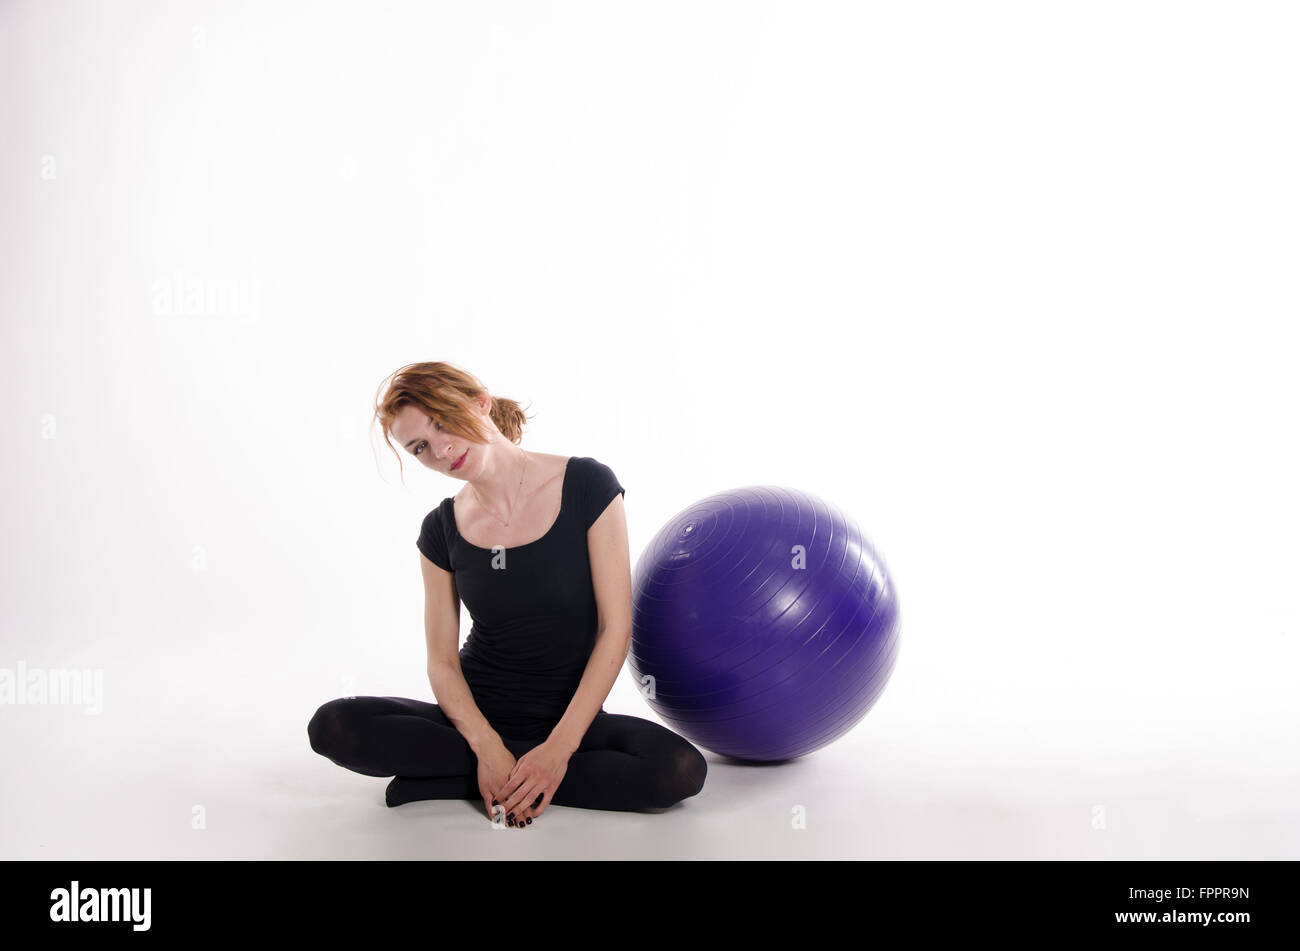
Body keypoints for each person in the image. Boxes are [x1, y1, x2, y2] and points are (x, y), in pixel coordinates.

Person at [307, 361, 707, 827]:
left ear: (479, 402)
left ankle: (456, 778)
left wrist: (558, 750)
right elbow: (441, 660)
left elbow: (614, 629)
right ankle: (497, 770)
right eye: (421, 447)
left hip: (569, 723)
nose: (442, 450)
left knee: (679, 771)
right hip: (475, 719)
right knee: (333, 726)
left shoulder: (587, 487)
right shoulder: (440, 529)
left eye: (441, 422)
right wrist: (485, 745)